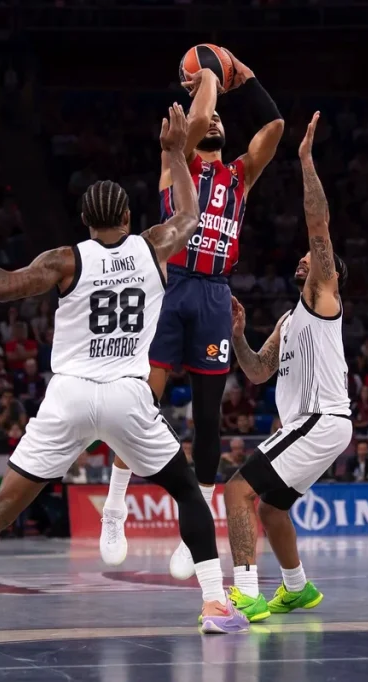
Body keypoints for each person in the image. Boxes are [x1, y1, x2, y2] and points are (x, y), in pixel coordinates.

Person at [0, 103, 247, 638]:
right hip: (126, 396)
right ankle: (214, 604)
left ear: (86, 223)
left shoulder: (64, 260)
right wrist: (172, 153)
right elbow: (189, 216)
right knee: (189, 491)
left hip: (68, 397)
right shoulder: (153, 247)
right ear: (127, 219)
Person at [102, 51, 285, 582]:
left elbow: (274, 127)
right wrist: (209, 73)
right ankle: (114, 506)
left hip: (213, 294)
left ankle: (198, 520)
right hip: (171, 286)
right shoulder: (176, 162)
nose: (216, 121)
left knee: (209, 418)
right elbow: (201, 115)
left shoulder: (239, 177)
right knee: (141, 401)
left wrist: (246, 78)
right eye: (212, 117)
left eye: (224, 119)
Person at [219, 113, 352, 622]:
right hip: (311, 424)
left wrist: (305, 160)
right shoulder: (289, 319)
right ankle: (297, 589)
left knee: (237, 490)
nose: (304, 260)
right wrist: (238, 336)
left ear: (327, 272)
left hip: (322, 419)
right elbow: (257, 372)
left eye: (311, 259)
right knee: (271, 509)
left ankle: (246, 594)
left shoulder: (323, 297)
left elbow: (318, 225)